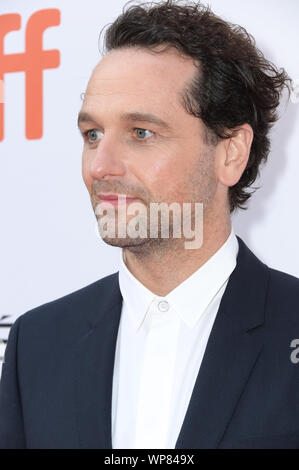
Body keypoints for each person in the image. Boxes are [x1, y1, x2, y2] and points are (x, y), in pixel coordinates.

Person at [0, 0, 298, 449]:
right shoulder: (37, 345)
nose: (101, 166)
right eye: (92, 135)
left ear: (230, 152)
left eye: (141, 133)